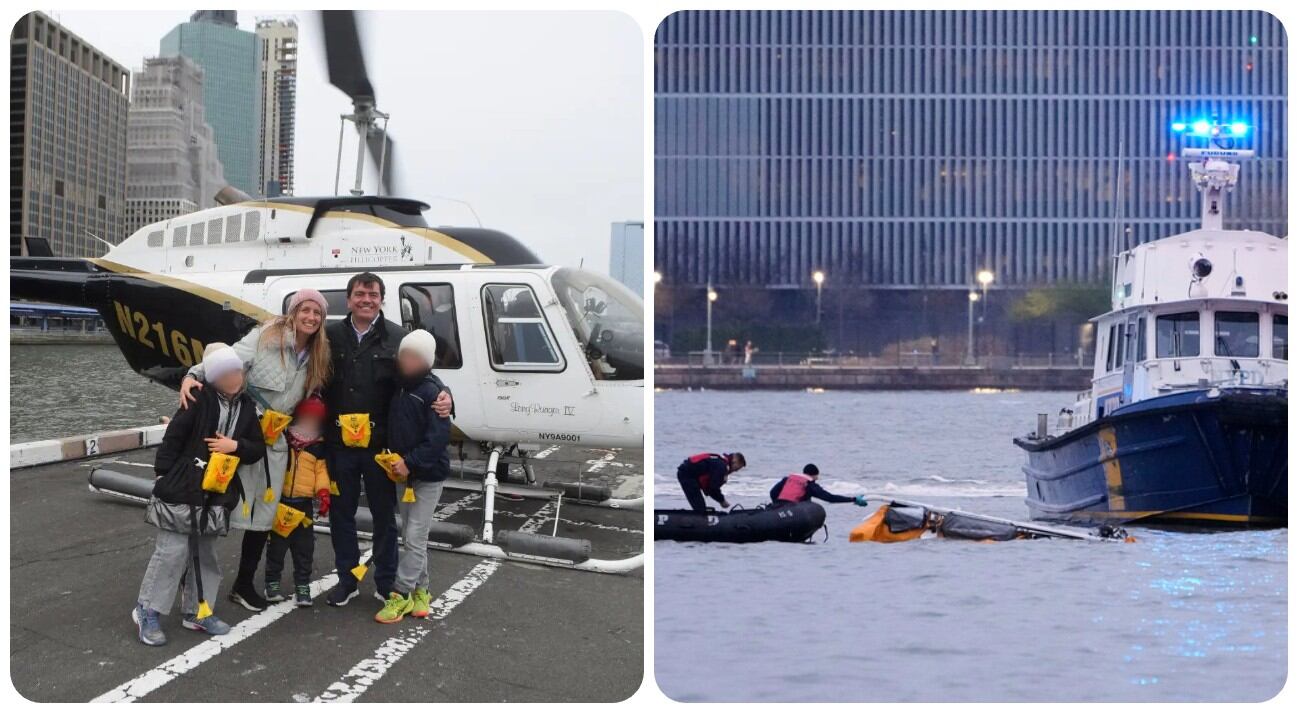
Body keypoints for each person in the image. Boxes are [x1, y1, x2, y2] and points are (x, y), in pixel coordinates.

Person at [179, 288, 332, 612]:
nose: (311, 317)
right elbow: (229, 359)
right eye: (305, 310)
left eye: (317, 313)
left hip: (273, 443)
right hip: (241, 428)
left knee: (263, 515)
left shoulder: (318, 355)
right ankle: (186, 574)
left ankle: (243, 584)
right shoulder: (266, 336)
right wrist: (193, 375)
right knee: (212, 503)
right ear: (293, 312)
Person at [323, 273, 452, 607]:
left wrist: (446, 394)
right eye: (360, 294)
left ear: (382, 299)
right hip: (339, 445)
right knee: (341, 515)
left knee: (384, 517)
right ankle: (346, 579)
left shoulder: (397, 337)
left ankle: (385, 581)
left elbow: (423, 373)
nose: (367, 299)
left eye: (374, 294)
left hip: (382, 448)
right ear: (349, 298)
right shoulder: (329, 335)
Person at [133, 344, 266, 646]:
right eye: (227, 372)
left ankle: (198, 610)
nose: (235, 376)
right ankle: (148, 610)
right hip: (183, 485)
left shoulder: (247, 407)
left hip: (217, 490)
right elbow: (174, 437)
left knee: (205, 553)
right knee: (172, 551)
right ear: (215, 378)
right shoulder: (196, 399)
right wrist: (163, 474)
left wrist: (236, 447)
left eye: (237, 370)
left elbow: (256, 448)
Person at [373, 329, 454, 624]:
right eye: (404, 354)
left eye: (416, 357)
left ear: (428, 362)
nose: (408, 361)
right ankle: (423, 590)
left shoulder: (433, 393)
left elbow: (438, 439)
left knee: (415, 536)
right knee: (411, 535)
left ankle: (400, 594)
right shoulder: (399, 385)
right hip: (401, 475)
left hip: (426, 476)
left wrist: (410, 462)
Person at [264, 396, 332, 607]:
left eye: (315, 418)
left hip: (304, 505)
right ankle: (272, 582)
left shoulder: (319, 446)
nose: (310, 421)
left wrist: (323, 493)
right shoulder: (283, 438)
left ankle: (302, 585)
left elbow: (321, 472)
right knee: (276, 546)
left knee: (304, 548)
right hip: (281, 501)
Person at [769, 464, 868, 507]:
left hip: (778, 505)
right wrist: (853, 499)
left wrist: (776, 503)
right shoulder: (809, 484)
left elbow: (773, 492)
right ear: (814, 475)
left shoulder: (788, 479)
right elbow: (830, 498)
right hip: (793, 509)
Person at [676, 452, 745, 512]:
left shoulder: (721, 462)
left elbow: (709, 486)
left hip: (691, 473)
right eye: (736, 468)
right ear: (734, 461)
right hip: (687, 474)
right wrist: (722, 500)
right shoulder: (721, 467)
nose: (735, 471)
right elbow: (712, 488)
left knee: (700, 506)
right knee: (699, 507)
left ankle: (701, 517)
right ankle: (700, 522)